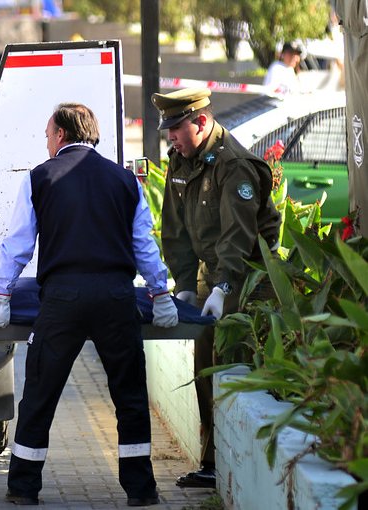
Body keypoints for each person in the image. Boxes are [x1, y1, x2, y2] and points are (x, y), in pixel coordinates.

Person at [0, 103, 179, 507]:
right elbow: (143, 245)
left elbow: (17, 245)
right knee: (130, 395)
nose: (46, 142)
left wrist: (0, 295)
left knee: (41, 392)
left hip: (63, 298)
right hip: (116, 297)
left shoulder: (40, 178)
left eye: (48, 134)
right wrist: (161, 293)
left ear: (62, 135)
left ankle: (24, 488)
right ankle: (141, 490)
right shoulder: (124, 180)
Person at [151, 88, 281, 488]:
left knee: (234, 366)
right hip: (214, 276)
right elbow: (175, 232)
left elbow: (238, 238)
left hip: (250, 281)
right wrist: (186, 286)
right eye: (168, 130)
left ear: (201, 122)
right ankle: (211, 463)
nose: (170, 137)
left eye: (176, 128)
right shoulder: (182, 160)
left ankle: (225, 464)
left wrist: (223, 289)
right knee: (205, 369)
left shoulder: (234, 165)